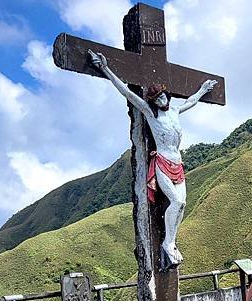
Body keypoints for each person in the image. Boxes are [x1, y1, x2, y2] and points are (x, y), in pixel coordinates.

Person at [88, 49, 217, 270]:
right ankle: (168, 243)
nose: (162, 100)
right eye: (157, 98)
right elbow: (128, 95)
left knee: (182, 204)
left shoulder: (175, 111)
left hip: (178, 163)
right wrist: (106, 69)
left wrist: (203, 90)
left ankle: (171, 242)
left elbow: (193, 101)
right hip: (163, 163)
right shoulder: (150, 113)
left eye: (163, 96)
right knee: (176, 202)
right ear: (153, 101)